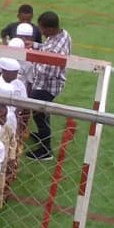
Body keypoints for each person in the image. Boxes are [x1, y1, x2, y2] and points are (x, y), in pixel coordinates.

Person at [27, 10, 72, 161]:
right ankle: (42, 136)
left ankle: (46, 151)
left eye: (43, 29)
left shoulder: (56, 50)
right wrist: (34, 45)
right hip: (49, 83)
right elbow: (45, 48)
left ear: (51, 29)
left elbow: (46, 70)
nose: (42, 32)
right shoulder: (62, 34)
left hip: (47, 86)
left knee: (39, 114)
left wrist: (29, 59)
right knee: (42, 113)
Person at [0, 59, 27, 209]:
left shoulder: (19, 85)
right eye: (14, 73)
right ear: (4, 71)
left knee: (6, 166)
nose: (17, 75)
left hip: (10, 127)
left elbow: (22, 106)